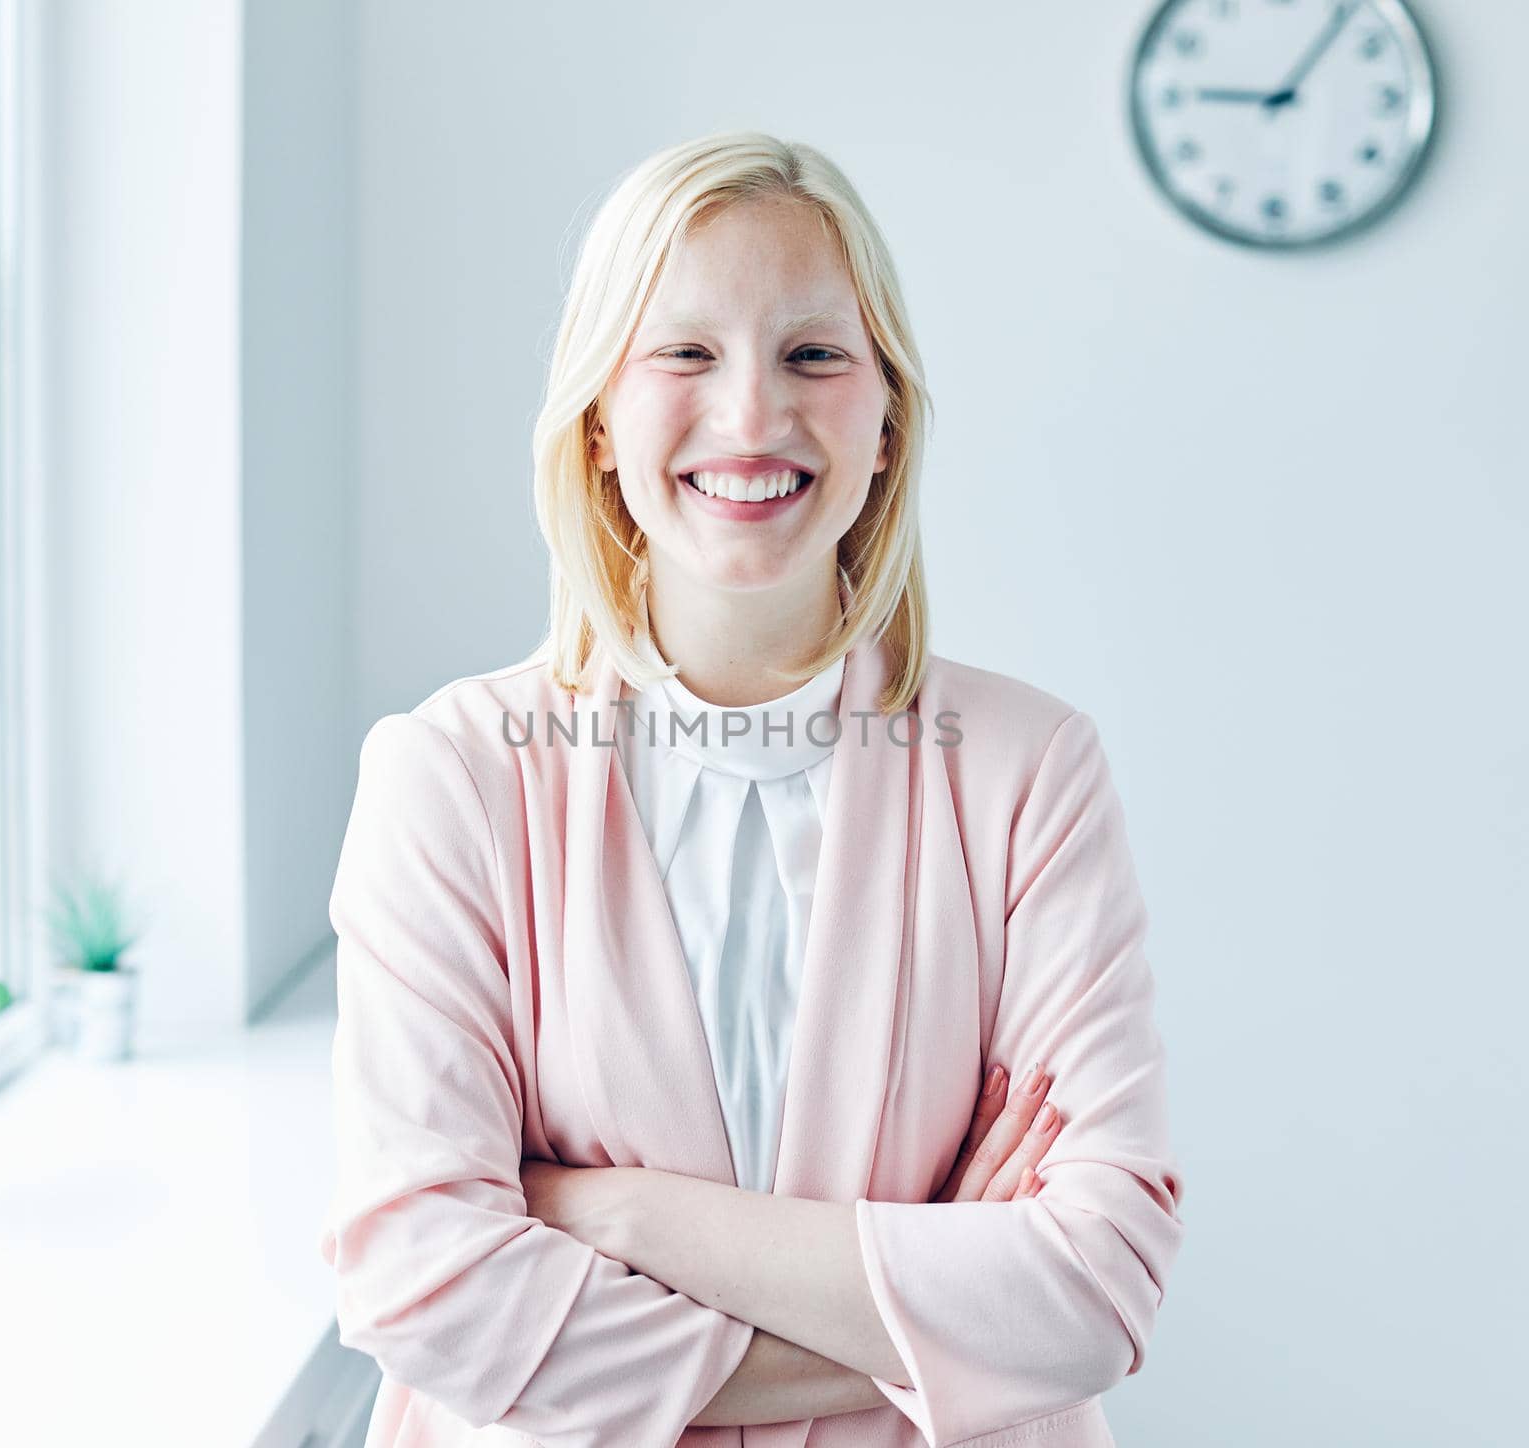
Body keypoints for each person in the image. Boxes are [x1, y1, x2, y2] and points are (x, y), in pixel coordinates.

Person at [319, 130, 1186, 1448]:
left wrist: (614, 1216)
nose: (751, 417)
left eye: (814, 354)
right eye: (685, 351)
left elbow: (1094, 1294)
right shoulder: (449, 776)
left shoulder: (1029, 773)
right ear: (601, 416)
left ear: (886, 420)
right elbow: (427, 1286)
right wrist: (937, 1308)